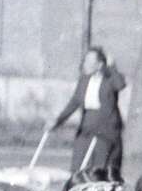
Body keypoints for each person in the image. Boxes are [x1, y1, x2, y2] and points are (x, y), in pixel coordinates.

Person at [51, 48, 128, 179]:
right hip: (87, 125)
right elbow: (75, 102)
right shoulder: (84, 79)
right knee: (78, 166)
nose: (84, 64)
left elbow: (120, 85)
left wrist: (112, 67)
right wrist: (58, 120)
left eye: (89, 61)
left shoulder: (110, 78)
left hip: (107, 129)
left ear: (99, 64)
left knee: (101, 169)